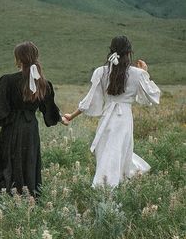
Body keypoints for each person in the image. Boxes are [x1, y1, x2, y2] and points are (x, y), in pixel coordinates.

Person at [65, 36, 161, 188]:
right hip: (124, 119)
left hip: (107, 117)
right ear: (129, 52)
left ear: (111, 51)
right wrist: (145, 73)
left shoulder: (101, 72)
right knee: (118, 153)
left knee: (107, 153)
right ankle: (110, 188)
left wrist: (72, 115)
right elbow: (153, 96)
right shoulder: (137, 73)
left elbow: (89, 100)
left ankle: (104, 188)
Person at [0, 41, 68, 196]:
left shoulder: (8, 80)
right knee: (28, 161)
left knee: (8, 160)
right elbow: (49, 109)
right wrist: (62, 119)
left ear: (19, 59)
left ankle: (6, 195)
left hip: (11, 128)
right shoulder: (43, 84)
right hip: (30, 129)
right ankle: (28, 197)